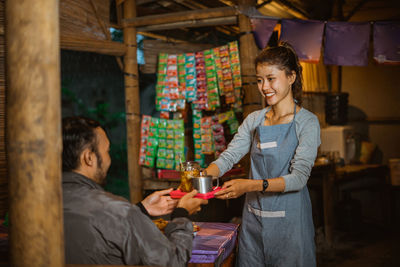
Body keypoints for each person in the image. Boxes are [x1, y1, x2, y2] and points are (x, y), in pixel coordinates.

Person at [205, 42, 320, 266]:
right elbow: (229, 157)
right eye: (259, 80)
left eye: (271, 78)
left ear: (291, 77)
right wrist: (202, 177)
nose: (264, 86)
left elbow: (298, 179)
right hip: (254, 223)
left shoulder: (307, 122)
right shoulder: (254, 120)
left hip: (290, 226)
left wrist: (249, 186)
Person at [62, 116, 208, 266]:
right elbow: (172, 262)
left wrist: (140, 210)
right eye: (107, 151)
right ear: (89, 158)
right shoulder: (118, 212)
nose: (108, 159)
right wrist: (181, 215)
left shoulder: (41, 206)